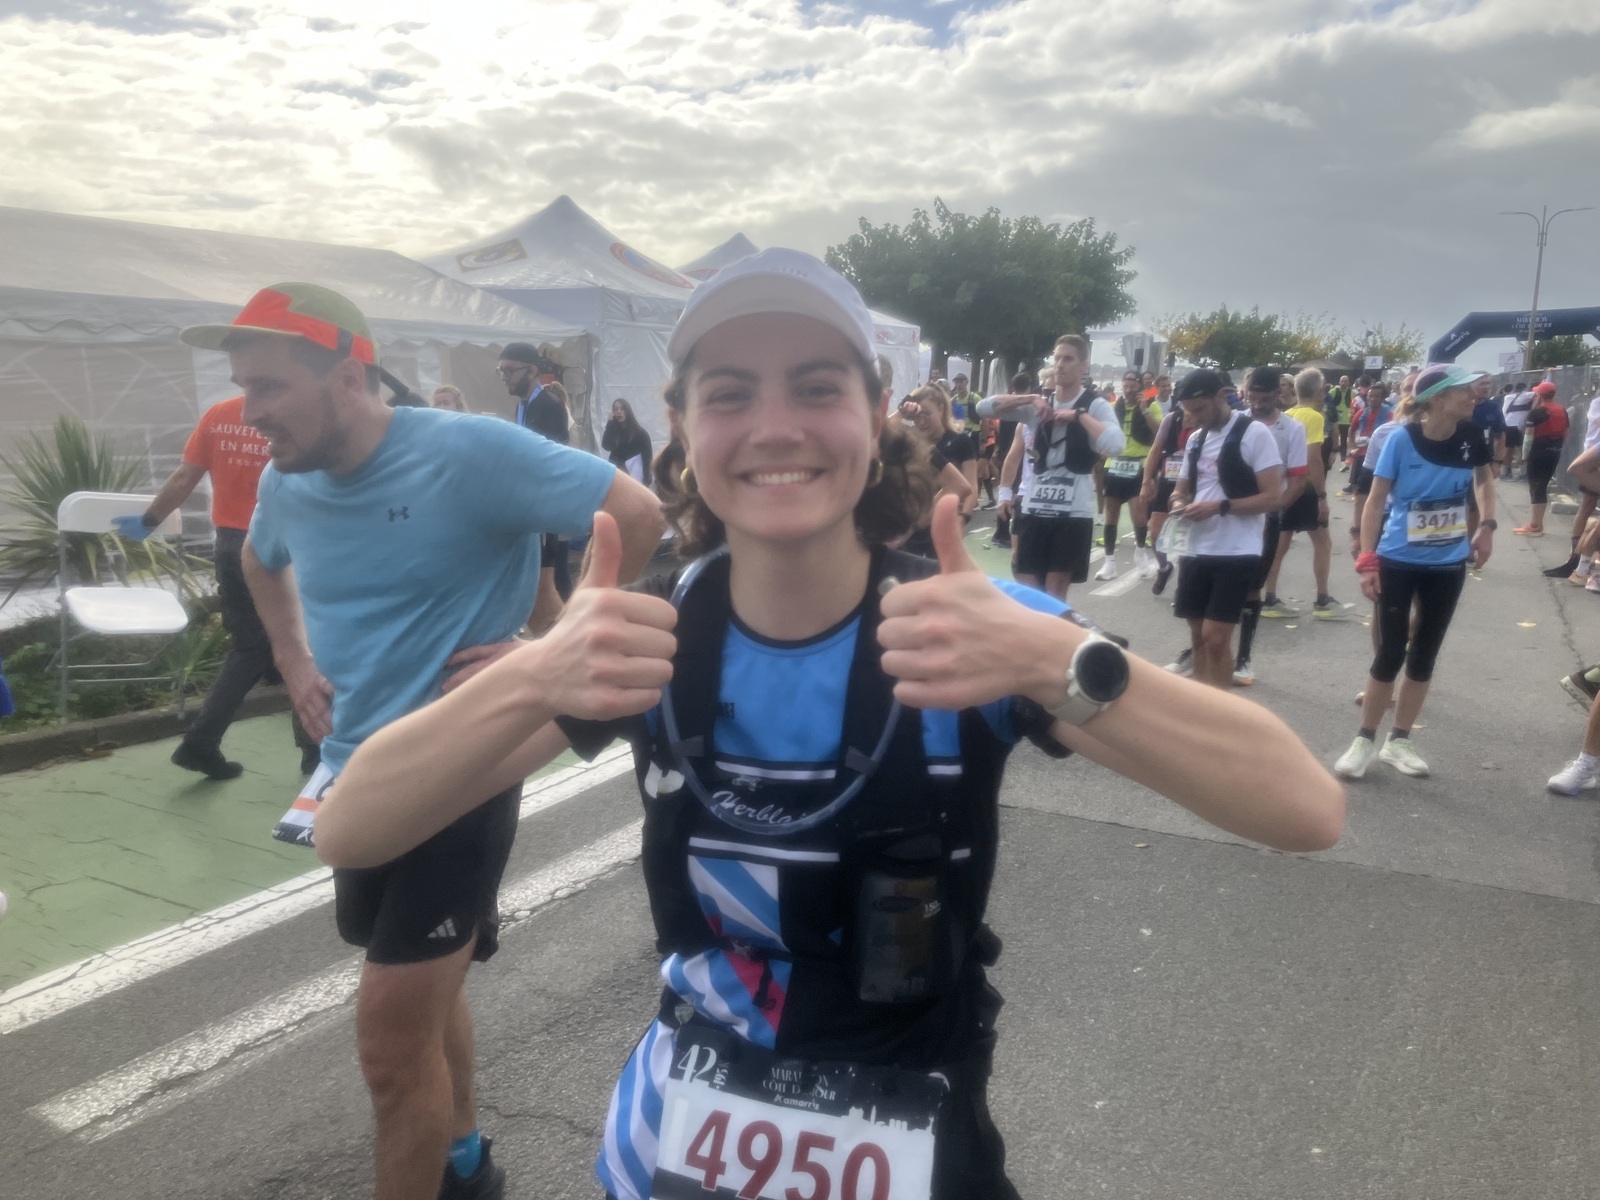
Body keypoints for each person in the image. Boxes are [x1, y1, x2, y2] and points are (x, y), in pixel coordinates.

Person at [309, 247, 1346, 1200]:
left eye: (816, 387)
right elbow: (353, 828)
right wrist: (538, 672)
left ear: (877, 411)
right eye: (730, 394)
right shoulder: (648, 638)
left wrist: (1052, 660)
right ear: (683, 426)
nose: (775, 427)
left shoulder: (967, 627)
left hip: (917, 1138)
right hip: (675, 1151)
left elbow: (1304, 809)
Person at [182, 281, 667, 1200]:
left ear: (348, 374)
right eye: (244, 388)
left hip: (463, 774)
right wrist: (291, 657)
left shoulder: (466, 450)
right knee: (417, 996)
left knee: (389, 1048)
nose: (250, 413)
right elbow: (257, 558)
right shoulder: (288, 478)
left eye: (270, 387)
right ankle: (465, 1159)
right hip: (350, 772)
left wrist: (552, 647)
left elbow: (635, 513)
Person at [113, 393, 319, 779]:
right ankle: (315, 752)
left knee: (251, 647)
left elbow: (185, 476)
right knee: (304, 642)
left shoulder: (220, 415)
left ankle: (201, 742)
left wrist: (149, 521)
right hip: (280, 543)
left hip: (229, 544)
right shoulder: (296, 412)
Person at [1334, 364, 1496, 781]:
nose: (1473, 395)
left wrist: (1487, 526)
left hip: (1448, 562)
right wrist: (1367, 559)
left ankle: (1399, 740)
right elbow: (1375, 501)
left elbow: (1484, 479)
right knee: (1391, 651)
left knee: (1425, 653)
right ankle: (1364, 740)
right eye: (1463, 390)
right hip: (1399, 559)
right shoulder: (1401, 439)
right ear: (1438, 398)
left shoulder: (1471, 435)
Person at [977, 336, 1124, 600]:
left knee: (1054, 592)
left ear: (1083, 365)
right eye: (1057, 358)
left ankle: (1054, 627)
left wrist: (1078, 416)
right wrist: (1030, 398)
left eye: (1068, 359)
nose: (1060, 365)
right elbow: (983, 408)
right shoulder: (1038, 404)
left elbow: (1115, 444)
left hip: (1072, 513)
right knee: (1028, 589)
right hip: (1034, 507)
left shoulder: (1095, 404)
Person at [1165, 369, 1285, 690]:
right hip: (1196, 547)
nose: (1193, 418)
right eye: (1188, 411)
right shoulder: (1196, 439)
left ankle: (1220, 710)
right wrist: (1178, 504)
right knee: (1197, 636)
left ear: (1222, 397)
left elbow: (1273, 497)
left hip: (1238, 550)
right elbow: (1181, 489)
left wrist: (1220, 506)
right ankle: (1203, 706)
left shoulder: (1254, 433)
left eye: (1199, 409)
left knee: (1216, 637)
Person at [1233, 368, 1307, 687]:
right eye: (1253, 398)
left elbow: (1298, 480)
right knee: (1216, 582)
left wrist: (1273, 511)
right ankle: (1201, 648)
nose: (1257, 404)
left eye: (1264, 398)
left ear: (1279, 394)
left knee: (1252, 587)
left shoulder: (1293, 428)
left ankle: (1243, 658)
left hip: (1265, 519)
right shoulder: (1235, 421)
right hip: (1229, 515)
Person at [499, 343, 577, 598]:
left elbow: (553, 460)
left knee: (553, 574)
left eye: (509, 370)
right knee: (540, 574)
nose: (504, 377)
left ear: (532, 371)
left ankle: (568, 617)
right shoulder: (523, 406)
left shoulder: (550, 405)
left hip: (547, 503)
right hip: (530, 501)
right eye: (501, 370)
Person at [1262, 368, 1336, 619]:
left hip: (1285, 486)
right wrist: (1322, 496)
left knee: (1279, 546)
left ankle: (1269, 597)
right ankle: (1323, 600)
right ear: (1320, 391)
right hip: (1305, 488)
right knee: (1323, 543)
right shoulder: (1314, 417)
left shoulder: (1287, 414)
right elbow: (1313, 458)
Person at [894, 386, 977, 557]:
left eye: (927, 414)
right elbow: (879, 432)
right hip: (912, 523)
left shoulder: (960, 441)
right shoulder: (911, 443)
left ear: (941, 408)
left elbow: (971, 485)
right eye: (917, 416)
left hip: (944, 521)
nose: (921, 422)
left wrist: (963, 518)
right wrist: (901, 413)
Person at [1096, 370, 1162, 581]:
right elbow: (1100, 430)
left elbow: (1160, 433)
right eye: (1126, 385)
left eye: (1133, 385)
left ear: (1140, 387)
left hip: (1139, 466)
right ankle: (1109, 562)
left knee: (1138, 514)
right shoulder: (1113, 407)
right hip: (1114, 464)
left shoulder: (1151, 406)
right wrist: (1101, 447)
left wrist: (1144, 411)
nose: (1129, 389)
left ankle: (1140, 552)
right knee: (1111, 516)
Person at [1141, 399, 1198, 598]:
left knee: (1188, 538)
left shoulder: (1205, 420)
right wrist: (1146, 481)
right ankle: (1164, 567)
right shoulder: (1171, 420)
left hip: (1194, 485)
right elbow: (1155, 450)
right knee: (1155, 533)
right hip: (1168, 481)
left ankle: (1184, 586)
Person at [1517, 381, 1568, 537]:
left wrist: (1524, 455)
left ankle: (1535, 525)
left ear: (1539, 394)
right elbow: (1567, 432)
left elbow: (1528, 435)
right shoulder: (1562, 410)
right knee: (1542, 485)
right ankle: (1537, 523)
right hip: (1554, 451)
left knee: (1536, 486)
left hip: (1538, 451)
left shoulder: (1537, 412)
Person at [602, 398, 654, 486]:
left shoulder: (640, 433)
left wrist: (646, 481)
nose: (619, 412)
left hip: (634, 476)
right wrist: (610, 423)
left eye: (622, 409)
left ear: (627, 411)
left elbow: (647, 458)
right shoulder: (614, 430)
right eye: (616, 409)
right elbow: (606, 446)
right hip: (616, 474)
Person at [1502, 382, 1535, 477]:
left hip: (1507, 425)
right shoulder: (1524, 396)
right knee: (1519, 449)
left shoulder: (1508, 397)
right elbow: (1538, 393)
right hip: (1515, 427)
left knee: (1509, 449)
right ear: (1524, 389)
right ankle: (1523, 472)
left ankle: (1505, 471)